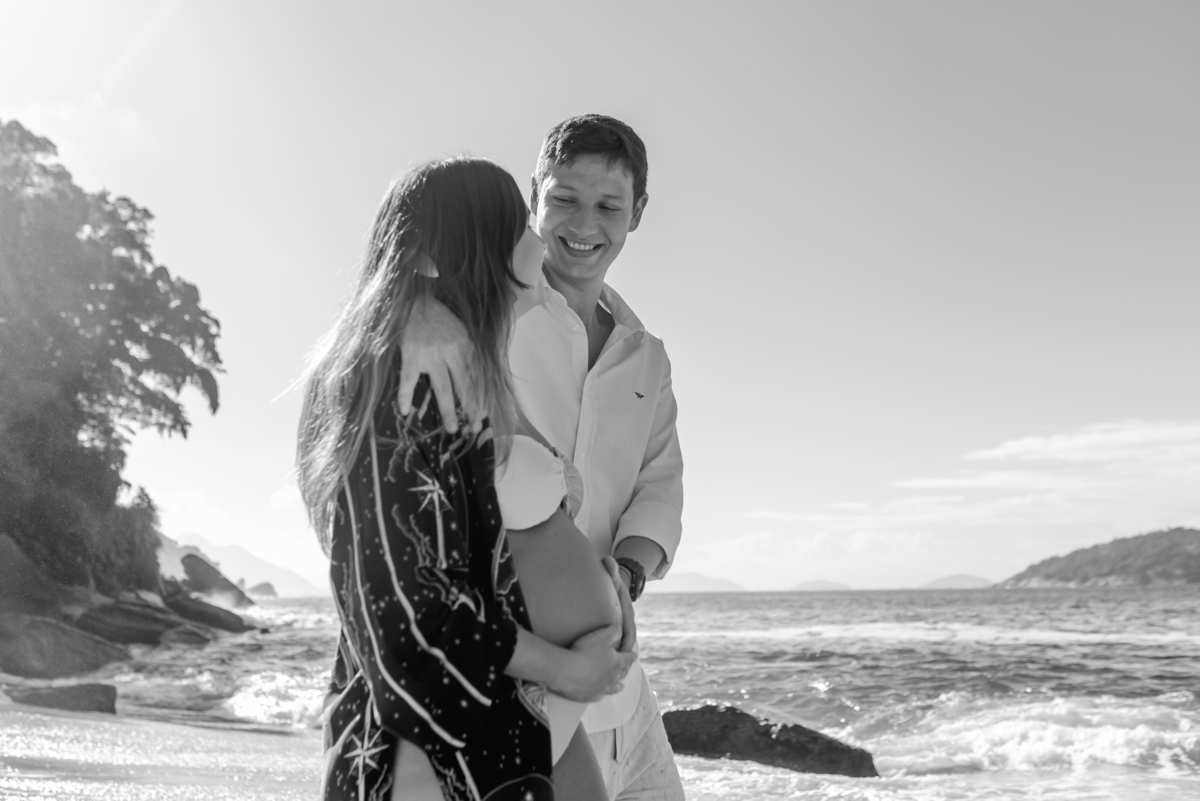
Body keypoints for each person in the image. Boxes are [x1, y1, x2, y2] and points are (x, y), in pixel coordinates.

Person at [297, 157, 637, 801]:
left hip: (504, 718)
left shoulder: (462, 362)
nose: (537, 238)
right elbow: (408, 609)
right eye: (514, 222)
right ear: (448, 253)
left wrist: (608, 590)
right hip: (437, 747)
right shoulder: (412, 372)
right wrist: (569, 667)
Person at [398, 115, 686, 800]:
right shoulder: (479, 312)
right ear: (534, 195)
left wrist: (630, 574)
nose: (584, 223)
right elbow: (398, 272)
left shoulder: (646, 353)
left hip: (617, 672)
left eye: (609, 205)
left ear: (636, 214)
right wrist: (420, 308)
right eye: (564, 199)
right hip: (515, 665)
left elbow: (660, 480)